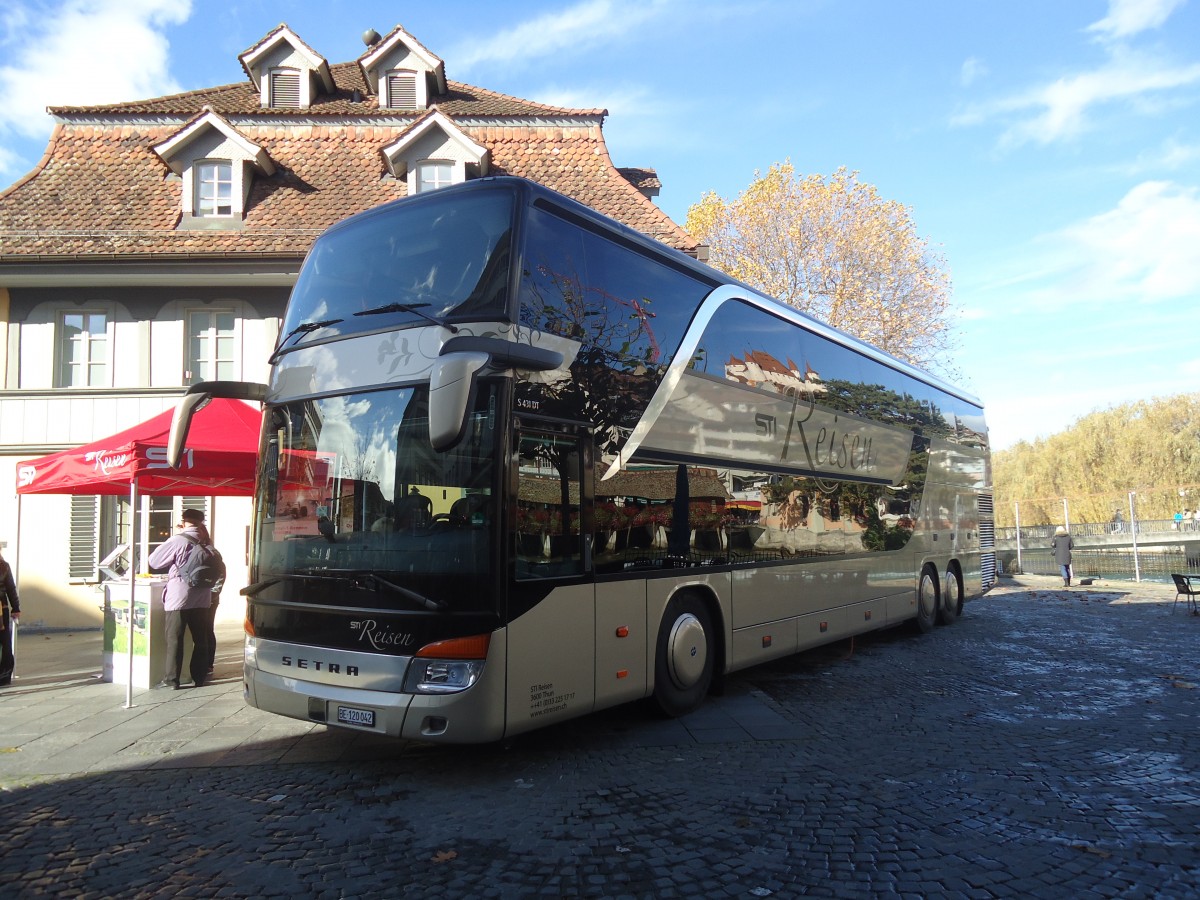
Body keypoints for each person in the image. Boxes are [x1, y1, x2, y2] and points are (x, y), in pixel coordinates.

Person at [147, 508, 214, 689]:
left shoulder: (178, 539)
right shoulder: (206, 540)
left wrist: (177, 535)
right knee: (201, 639)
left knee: (175, 638)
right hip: (202, 596)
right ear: (201, 521)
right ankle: (199, 677)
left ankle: (171, 680)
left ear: (183, 521)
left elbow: (154, 561)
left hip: (179, 597)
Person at [0, 549, 19, 687]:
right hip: (2, 607)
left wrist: (16, 608)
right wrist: (16, 608)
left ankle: (4, 673)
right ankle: (4, 674)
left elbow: (11, 588)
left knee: (5, 640)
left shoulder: (4, 566)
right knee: (4, 639)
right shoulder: (3, 565)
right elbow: (11, 588)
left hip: (2, 608)